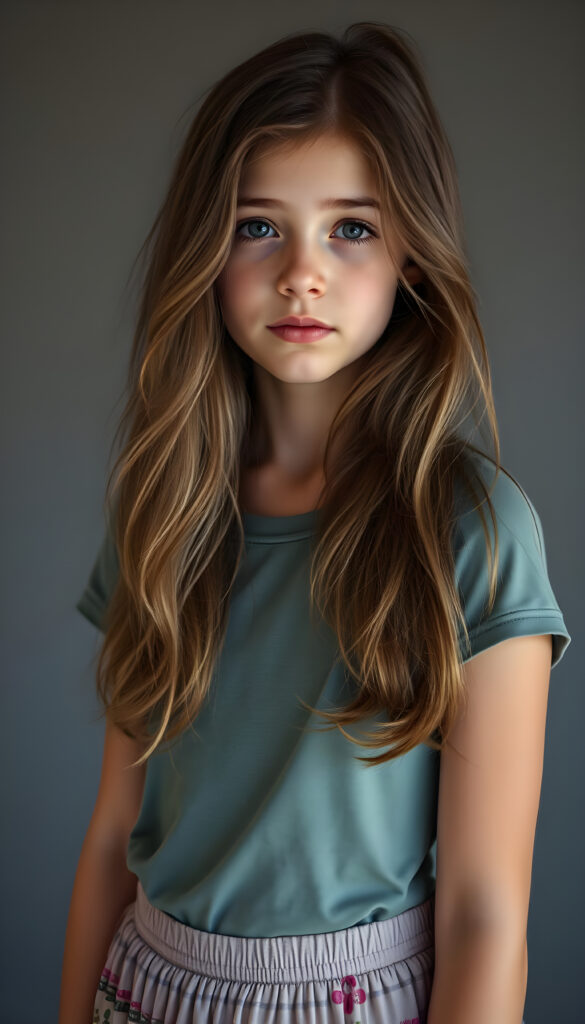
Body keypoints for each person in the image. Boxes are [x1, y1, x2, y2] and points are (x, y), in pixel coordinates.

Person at [59, 21, 571, 1024]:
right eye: (258, 226)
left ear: (412, 257)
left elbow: (485, 913)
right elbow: (115, 829)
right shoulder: (161, 512)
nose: (303, 271)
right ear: (205, 250)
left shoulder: (476, 534)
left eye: (352, 227)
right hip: (144, 988)